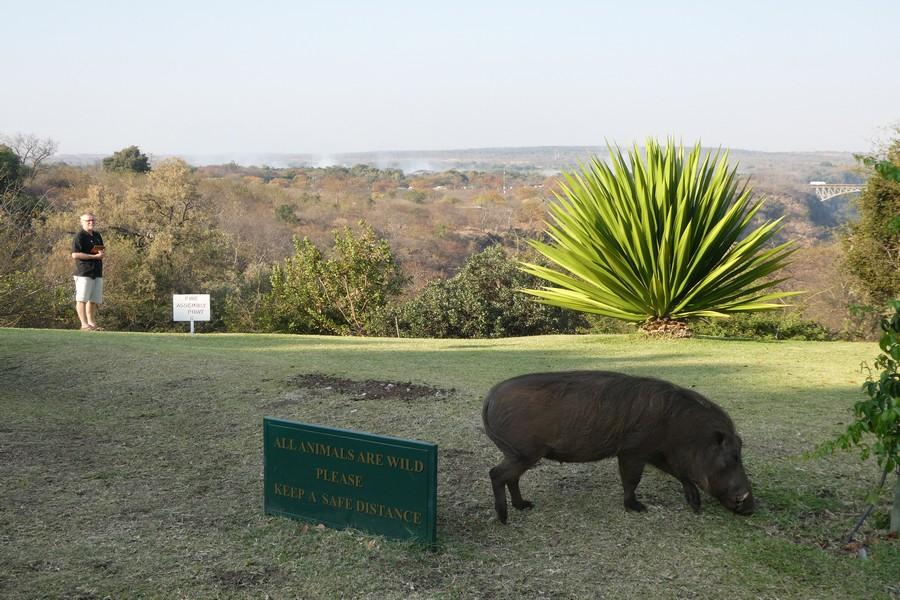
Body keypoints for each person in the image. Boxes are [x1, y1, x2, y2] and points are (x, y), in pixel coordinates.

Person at [71, 212, 105, 330]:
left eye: (93, 220)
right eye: (88, 221)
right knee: (82, 299)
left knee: (93, 300)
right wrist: (93, 257)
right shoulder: (79, 236)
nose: (91, 222)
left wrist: (100, 254)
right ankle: (84, 324)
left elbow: (100, 251)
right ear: (82, 222)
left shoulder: (97, 235)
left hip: (97, 272)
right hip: (84, 272)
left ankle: (91, 323)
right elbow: (75, 254)